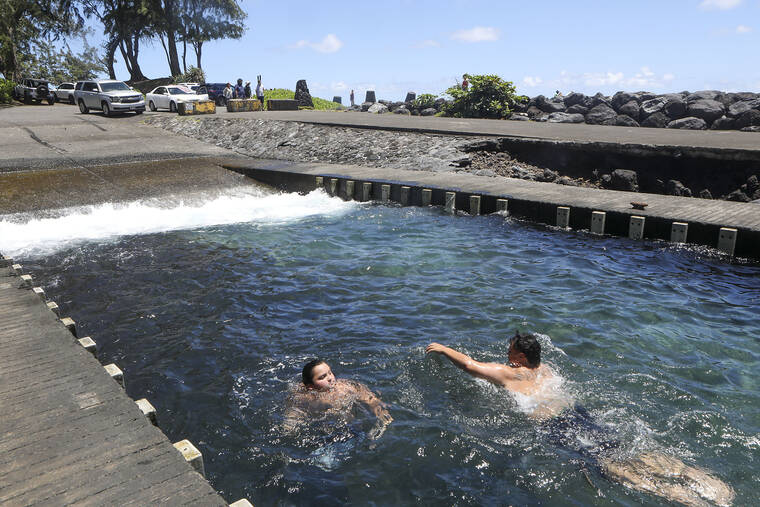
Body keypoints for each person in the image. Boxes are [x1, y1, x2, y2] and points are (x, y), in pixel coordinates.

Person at [426, 332, 735, 507]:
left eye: (510, 352)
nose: (506, 355)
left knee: (610, 467)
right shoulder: (546, 370)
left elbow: (469, 365)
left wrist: (442, 348)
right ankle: (708, 483)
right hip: (580, 414)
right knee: (628, 451)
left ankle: (683, 498)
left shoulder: (511, 373)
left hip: (558, 427)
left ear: (519, 358)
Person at [284, 359, 393, 439]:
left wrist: (378, 408)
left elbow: (366, 395)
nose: (330, 378)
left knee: (367, 437)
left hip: (351, 427)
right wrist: (289, 427)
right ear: (310, 386)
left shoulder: (344, 387)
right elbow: (292, 414)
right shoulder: (303, 397)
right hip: (322, 431)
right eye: (322, 377)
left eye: (330, 373)